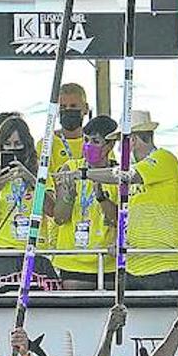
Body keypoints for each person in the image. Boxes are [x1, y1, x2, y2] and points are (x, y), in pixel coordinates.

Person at [87, 111, 178, 290]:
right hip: (133, 267)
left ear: (132, 140)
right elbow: (128, 218)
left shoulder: (164, 158)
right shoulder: (133, 174)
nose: (119, 150)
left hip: (163, 267)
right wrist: (120, 242)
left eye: (121, 143)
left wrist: (83, 174)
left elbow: (127, 175)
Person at [0, 115, 59, 289]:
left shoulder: (41, 173)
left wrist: (31, 179)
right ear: (0, 146)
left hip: (35, 251)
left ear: (26, 145)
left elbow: (51, 211)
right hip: (3, 253)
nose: (13, 149)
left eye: (18, 144)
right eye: (8, 144)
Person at [52, 115, 119, 289]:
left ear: (110, 145)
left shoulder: (119, 174)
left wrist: (102, 198)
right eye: (86, 140)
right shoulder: (71, 168)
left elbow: (118, 220)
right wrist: (69, 196)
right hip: (73, 263)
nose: (88, 146)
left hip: (107, 263)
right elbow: (59, 218)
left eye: (95, 141)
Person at [48, 83, 92, 174]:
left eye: (73, 106)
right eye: (63, 107)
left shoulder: (97, 143)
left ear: (86, 109)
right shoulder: (47, 144)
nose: (68, 110)